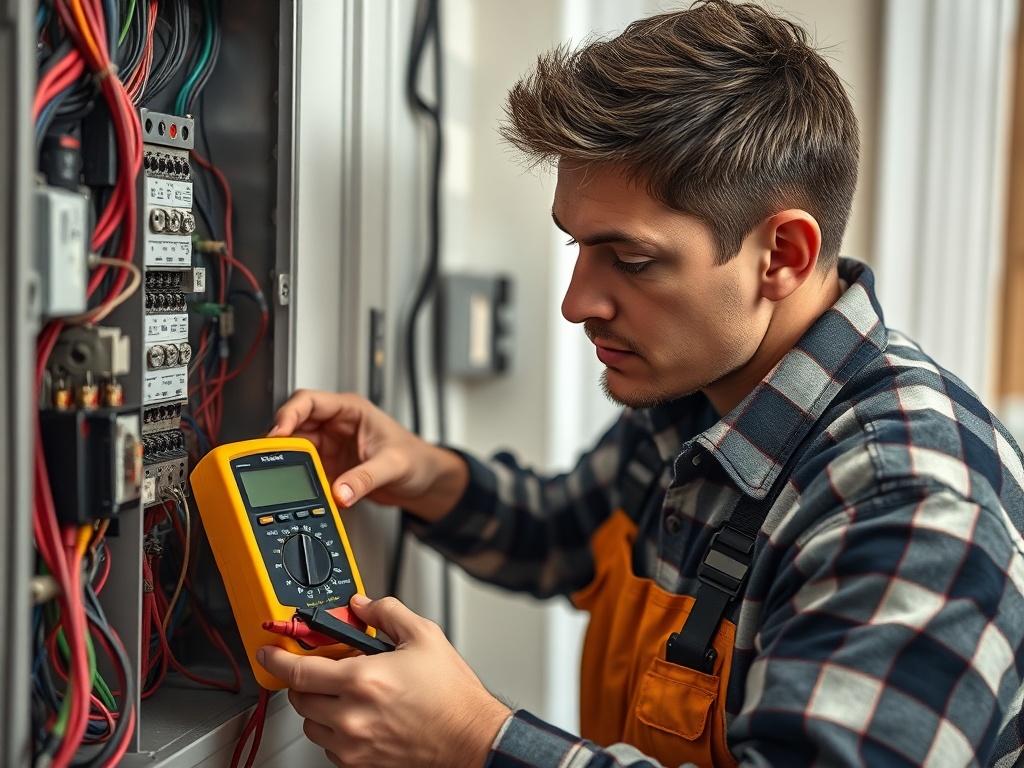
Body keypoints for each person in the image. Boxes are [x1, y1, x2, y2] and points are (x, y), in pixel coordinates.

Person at [257, 2, 1024, 766]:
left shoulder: (910, 504)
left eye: (630, 260)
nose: (576, 303)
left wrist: (472, 740)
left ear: (782, 255)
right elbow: (565, 535)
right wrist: (423, 474)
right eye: (577, 247)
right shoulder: (704, 395)